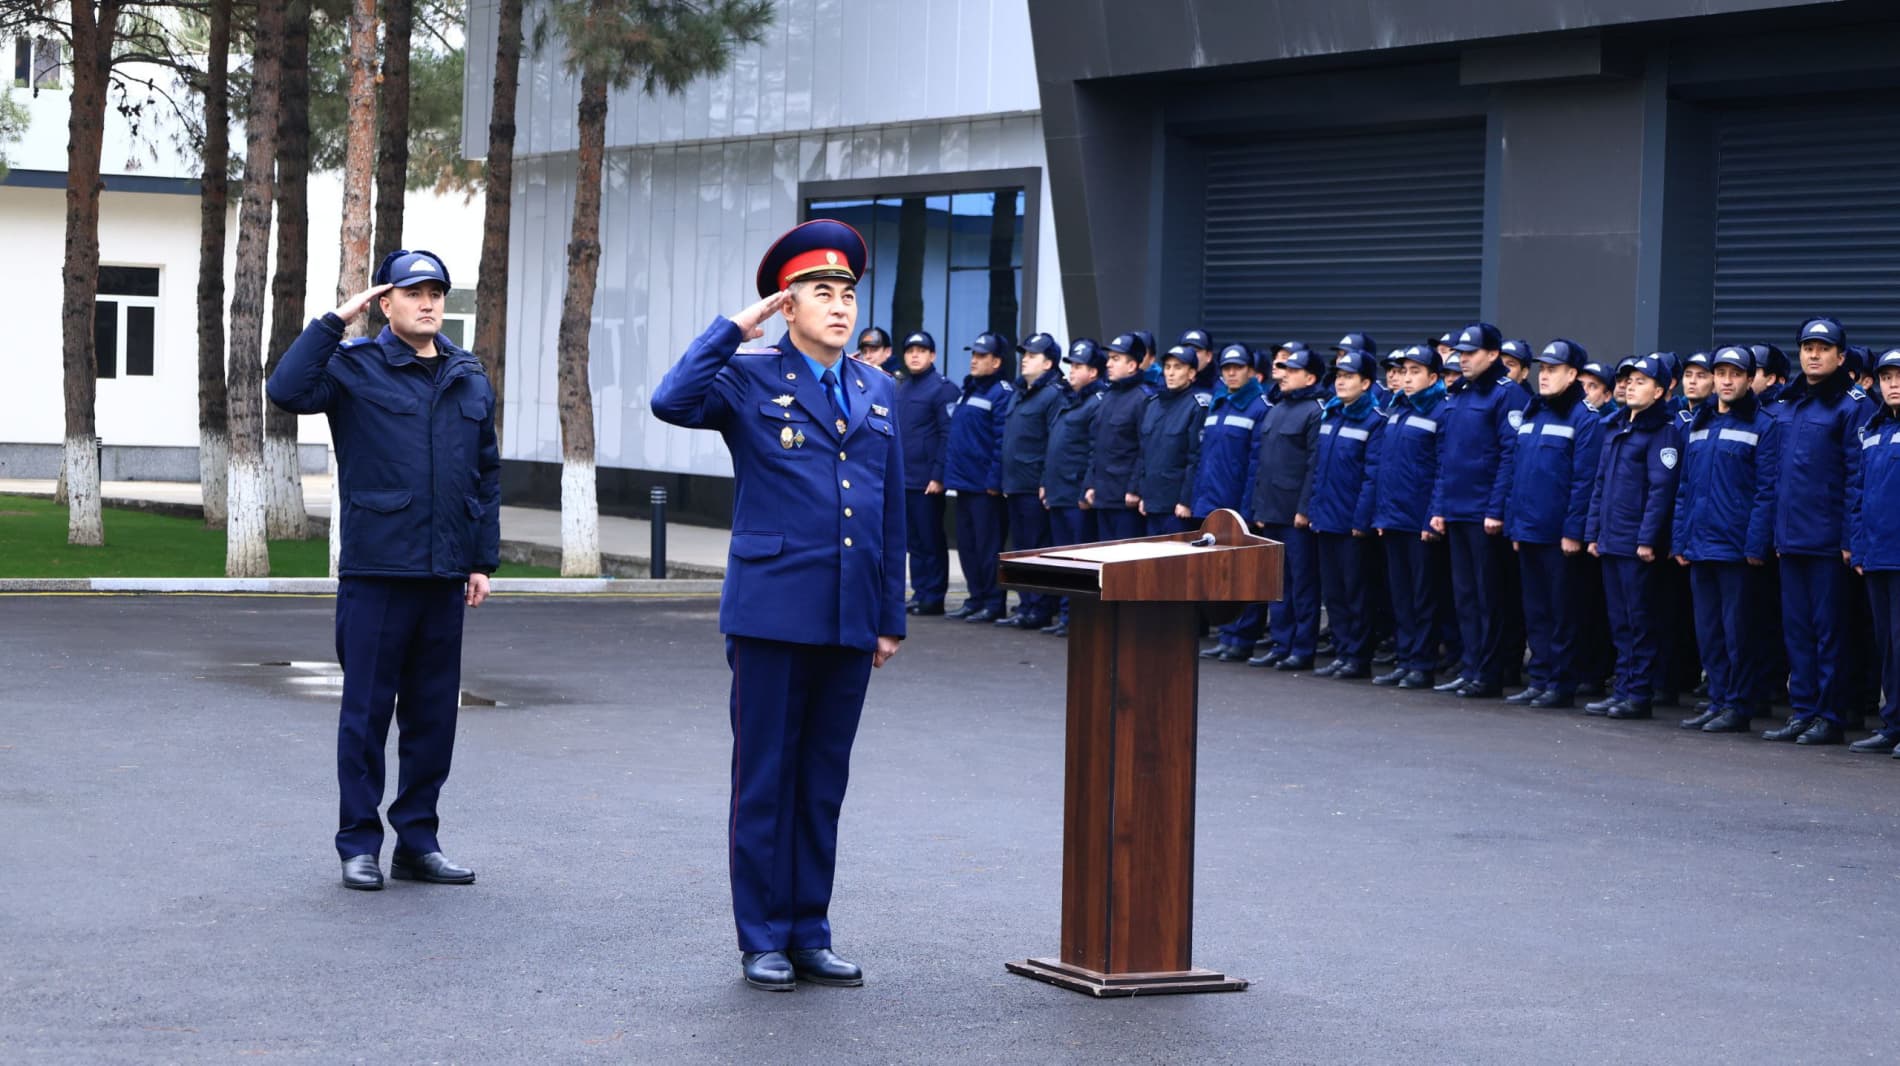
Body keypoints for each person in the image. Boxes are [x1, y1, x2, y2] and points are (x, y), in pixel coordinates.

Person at [649, 219, 904, 992]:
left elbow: (889, 510)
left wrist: (889, 615)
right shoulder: (750, 375)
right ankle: (759, 936)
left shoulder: (877, 387)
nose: (838, 305)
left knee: (823, 780)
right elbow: (671, 400)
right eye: (819, 292)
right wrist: (735, 326)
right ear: (787, 306)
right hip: (771, 610)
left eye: (847, 293)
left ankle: (808, 929)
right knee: (766, 777)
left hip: (849, 615)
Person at [267, 249, 497, 892]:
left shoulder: (467, 373)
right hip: (377, 571)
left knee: (432, 720)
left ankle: (417, 843)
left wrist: (481, 559)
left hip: (443, 576)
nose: (427, 303)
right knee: (367, 715)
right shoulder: (354, 367)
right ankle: (358, 844)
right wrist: (334, 322)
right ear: (385, 303)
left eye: (436, 293)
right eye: (413, 292)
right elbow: (285, 390)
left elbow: (486, 474)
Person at [1761, 316, 1877, 745]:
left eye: (1823, 348)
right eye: (1807, 347)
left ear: (1840, 356)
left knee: (1831, 633)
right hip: (1791, 539)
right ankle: (1803, 710)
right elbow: (1776, 477)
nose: (1813, 354)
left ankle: (1830, 715)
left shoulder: (1853, 405)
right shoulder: (1791, 404)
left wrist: (1850, 539)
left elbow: (1856, 476)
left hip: (1829, 541)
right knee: (1798, 631)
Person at [1672, 345, 1778, 734]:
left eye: (1736, 374)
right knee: (1710, 633)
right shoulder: (1699, 424)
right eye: (1721, 374)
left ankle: (1739, 704)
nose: (1727, 381)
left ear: (1750, 380)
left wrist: (1755, 546)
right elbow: (1684, 488)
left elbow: (1767, 491)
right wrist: (1680, 540)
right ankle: (1717, 700)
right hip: (1700, 545)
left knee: (1739, 635)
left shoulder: (1763, 425)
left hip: (1736, 550)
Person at [1503, 339, 1603, 709]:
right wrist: (1515, 526)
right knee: (1537, 610)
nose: (1544, 377)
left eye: (1553, 370)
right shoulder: (1533, 412)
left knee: (1564, 612)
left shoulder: (1584, 418)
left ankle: (1561, 683)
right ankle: (1540, 677)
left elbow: (1584, 481)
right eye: (1542, 370)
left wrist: (1573, 531)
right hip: (1528, 529)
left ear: (1572, 374)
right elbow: (1518, 475)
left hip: (1560, 535)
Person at [1429, 322, 1526, 699]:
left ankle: (1490, 672)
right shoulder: (1459, 394)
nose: (1462, 360)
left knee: (1490, 597)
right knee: (1465, 596)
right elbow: (1446, 458)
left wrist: (1496, 508)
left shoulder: (1507, 395)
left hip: (1485, 514)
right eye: (1460, 354)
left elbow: (1509, 455)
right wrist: (1439, 507)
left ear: (1492, 355)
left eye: (1470, 354)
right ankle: (1471, 667)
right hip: (1457, 508)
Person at [1584, 354, 1682, 720]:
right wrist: (1593, 531)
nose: (1629, 386)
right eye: (1627, 380)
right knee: (1620, 621)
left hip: (1635, 545)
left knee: (1640, 620)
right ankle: (1623, 688)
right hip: (1611, 538)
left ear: (1659, 391)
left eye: (1641, 382)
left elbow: (1661, 490)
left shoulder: (1663, 431)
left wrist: (1646, 539)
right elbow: (1600, 485)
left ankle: (1639, 693)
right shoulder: (1617, 427)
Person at [1371, 346, 1450, 689]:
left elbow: (1443, 469)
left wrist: (1432, 516)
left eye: (1415, 372)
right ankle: (1405, 659)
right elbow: (1385, 468)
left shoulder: (1441, 412)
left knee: (1422, 596)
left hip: (1420, 522)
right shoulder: (1396, 410)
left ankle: (1422, 662)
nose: (1406, 378)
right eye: (1403, 372)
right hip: (1393, 517)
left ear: (1433, 377)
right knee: (1400, 595)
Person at [1248, 347, 1328, 671]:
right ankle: (1282, 644)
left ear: (1309, 377)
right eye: (1283, 369)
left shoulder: (1314, 411)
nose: (1283, 374)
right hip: (1272, 509)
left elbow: (1313, 463)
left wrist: (1304, 507)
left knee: (1303, 583)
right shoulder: (1275, 408)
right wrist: (1259, 508)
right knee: (1277, 583)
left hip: (1295, 512)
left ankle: (1302, 647)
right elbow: (1263, 463)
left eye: (1292, 370)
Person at [1309, 348, 1385, 679]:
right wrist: (1314, 509)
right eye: (1338, 376)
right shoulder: (1331, 414)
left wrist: (1360, 520)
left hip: (1352, 523)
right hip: (1327, 517)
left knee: (1358, 593)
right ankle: (1341, 651)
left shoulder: (1374, 421)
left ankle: (1358, 656)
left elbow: (1372, 475)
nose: (1341, 382)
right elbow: (1318, 470)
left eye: (1349, 377)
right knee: (1335, 592)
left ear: (1366, 383)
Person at [1196, 344, 1269, 662]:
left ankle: (1243, 637)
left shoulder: (1259, 407)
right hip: (1212, 502)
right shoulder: (1218, 403)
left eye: (1238, 368)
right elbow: (1205, 459)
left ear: (1252, 371)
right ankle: (1227, 635)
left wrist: (1246, 508)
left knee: (1245, 574)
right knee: (1219, 574)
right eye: (1226, 368)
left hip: (1238, 505)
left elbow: (1256, 465)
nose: (1231, 373)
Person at [1849, 349, 1900, 755]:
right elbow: (1860, 495)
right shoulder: (1873, 429)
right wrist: (1860, 547)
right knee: (1887, 645)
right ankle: (1892, 725)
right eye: (1886, 377)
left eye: (1899, 376)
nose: (1893, 383)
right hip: (1879, 555)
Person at [944, 332, 1016, 623]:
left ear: (997, 361)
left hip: (985, 488)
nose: (974, 360)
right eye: (973, 354)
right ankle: (975, 598)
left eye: (981, 356)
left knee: (988, 549)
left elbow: (1001, 441)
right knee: (969, 547)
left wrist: (993, 481)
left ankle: (993, 602)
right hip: (964, 483)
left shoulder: (1001, 392)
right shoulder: (970, 390)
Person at [997, 333, 1065, 629]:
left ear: (1049, 363)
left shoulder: (1053, 394)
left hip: (1033, 484)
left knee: (1037, 549)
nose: (1025, 358)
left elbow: (1054, 441)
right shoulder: (1019, 391)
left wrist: (1045, 481)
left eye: (1033, 355)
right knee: (1022, 547)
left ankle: (1039, 607)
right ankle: (1025, 605)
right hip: (1015, 483)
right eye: (1024, 353)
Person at [1041, 339, 1108, 637]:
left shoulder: (1095, 403)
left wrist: (1086, 489)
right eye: (1071, 365)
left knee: (1079, 560)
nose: (1072, 371)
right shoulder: (1069, 400)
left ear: (1094, 372)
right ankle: (1067, 614)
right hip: (1057, 490)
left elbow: (1094, 451)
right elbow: (1053, 445)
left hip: (1075, 494)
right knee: (1062, 558)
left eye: (1079, 367)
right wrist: (1045, 481)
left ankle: (1078, 616)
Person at [894, 331, 958, 615]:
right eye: (910, 351)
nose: (915, 355)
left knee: (931, 539)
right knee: (914, 542)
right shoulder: (902, 388)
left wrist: (939, 475)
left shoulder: (942, 388)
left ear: (932, 356)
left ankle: (933, 596)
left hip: (927, 480)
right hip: (904, 478)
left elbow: (948, 435)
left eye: (921, 351)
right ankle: (920, 593)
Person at [1084, 334, 1153, 541]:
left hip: (1125, 499)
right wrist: (1090, 483)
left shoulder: (1143, 398)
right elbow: (1096, 444)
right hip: (1103, 494)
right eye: (1109, 358)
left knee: (1123, 564)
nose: (1108, 364)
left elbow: (1145, 448)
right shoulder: (1108, 396)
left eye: (1115, 359)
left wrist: (1134, 489)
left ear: (1132, 365)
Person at [1136, 345, 1208, 535]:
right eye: (1167, 367)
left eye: (1178, 367)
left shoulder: (1196, 406)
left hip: (1176, 506)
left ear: (1192, 373)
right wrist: (1143, 494)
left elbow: (1195, 458)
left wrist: (1185, 501)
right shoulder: (1152, 405)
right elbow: (1144, 453)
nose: (1171, 373)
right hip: (1152, 502)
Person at [1179, 327, 1218, 392]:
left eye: (1195, 351)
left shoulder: (1221, 388)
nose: (1190, 354)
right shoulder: (1169, 383)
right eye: (1186, 350)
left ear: (1208, 356)